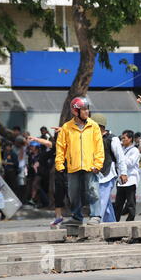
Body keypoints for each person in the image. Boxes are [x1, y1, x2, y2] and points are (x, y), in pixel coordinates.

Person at [55, 96, 104, 226]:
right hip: (73, 166)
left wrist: (98, 163)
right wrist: (59, 163)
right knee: (73, 193)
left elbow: (99, 147)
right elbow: (60, 147)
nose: (87, 112)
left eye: (87, 109)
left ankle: (95, 216)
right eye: (83, 109)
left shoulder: (94, 126)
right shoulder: (66, 127)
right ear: (75, 111)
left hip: (91, 166)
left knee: (93, 190)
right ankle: (76, 217)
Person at [90, 113, 127, 223]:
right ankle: (112, 225)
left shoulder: (112, 139)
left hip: (107, 175)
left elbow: (120, 157)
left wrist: (123, 173)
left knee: (101, 200)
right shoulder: (91, 139)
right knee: (106, 204)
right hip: (95, 174)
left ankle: (96, 223)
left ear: (100, 126)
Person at [115, 130, 140, 222]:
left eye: (124, 138)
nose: (122, 140)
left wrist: (120, 160)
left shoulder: (134, 150)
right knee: (118, 204)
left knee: (130, 203)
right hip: (121, 180)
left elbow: (130, 163)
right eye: (122, 138)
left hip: (131, 179)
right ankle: (115, 221)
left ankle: (130, 221)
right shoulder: (121, 149)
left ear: (130, 139)